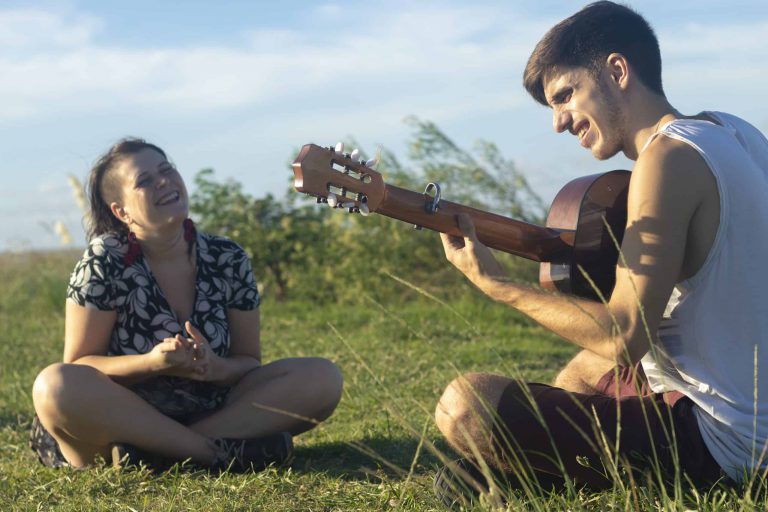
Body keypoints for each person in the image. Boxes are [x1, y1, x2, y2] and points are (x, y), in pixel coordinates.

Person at [432, 0, 768, 504]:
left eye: (565, 95)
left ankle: (524, 477)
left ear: (616, 70)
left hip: (725, 445)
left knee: (465, 406)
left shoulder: (666, 159)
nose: (559, 122)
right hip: (752, 413)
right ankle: (528, 473)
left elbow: (625, 336)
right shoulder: (735, 131)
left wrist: (497, 285)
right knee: (585, 368)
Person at [30, 138, 343, 472]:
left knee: (322, 377)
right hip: (120, 420)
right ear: (121, 212)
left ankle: (156, 456)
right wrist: (151, 363)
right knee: (56, 386)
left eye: (167, 170)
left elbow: (248, 361)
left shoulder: (227, 257)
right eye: (145, 180)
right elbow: (81, 364)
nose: (163, 181)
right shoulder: (104, 260)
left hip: (215, 412)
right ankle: (214, 455)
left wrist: (214, 367)